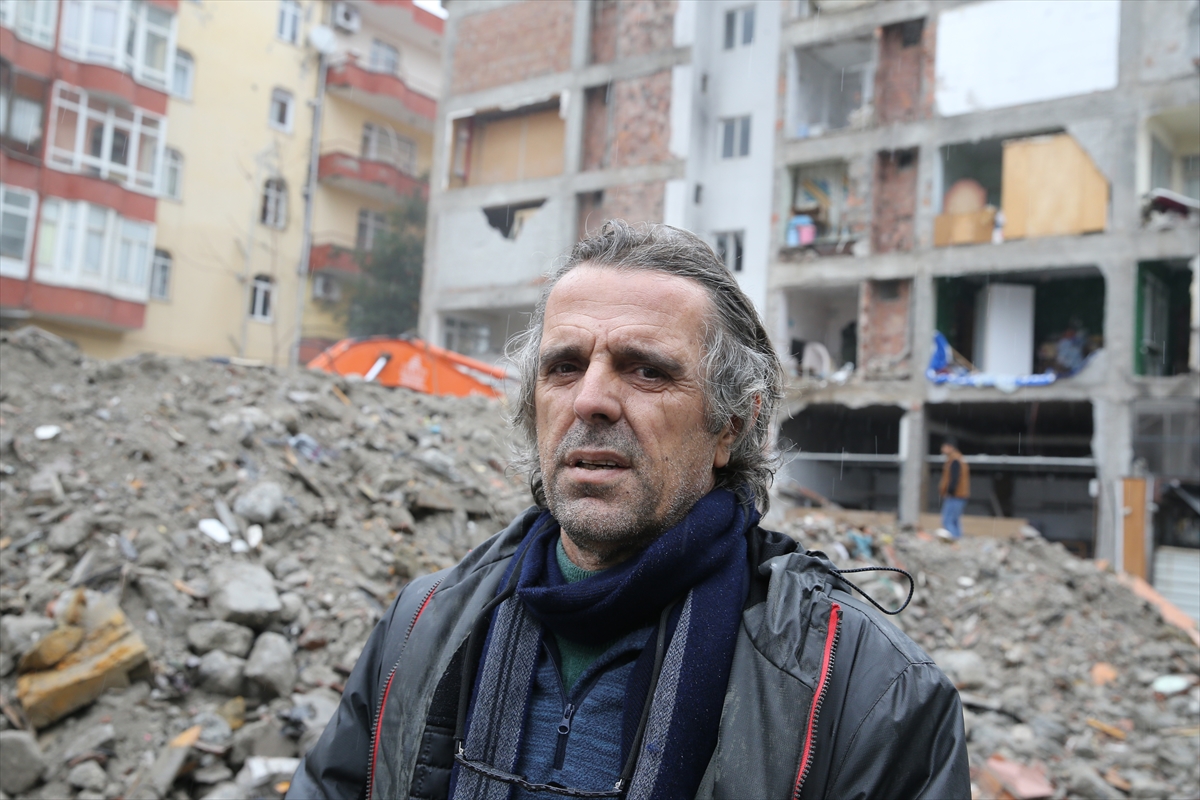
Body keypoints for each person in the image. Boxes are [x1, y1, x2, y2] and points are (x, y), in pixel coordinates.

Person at [288, 221, 969, 800]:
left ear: (732, 425)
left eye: (646, 370)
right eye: (564, 366)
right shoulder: (421, 628)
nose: (590, 400)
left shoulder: (863, 691)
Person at [939, 438, 971, 540]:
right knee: (955, 520)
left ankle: (953, 540)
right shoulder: (959, 459)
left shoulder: (954, 460)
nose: (942, 449)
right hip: (960, 495)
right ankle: (958, 540)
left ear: (950, 447)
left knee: (947, 520)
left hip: (955, 495)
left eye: (944, 446)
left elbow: (954, 478)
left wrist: (949, 492)